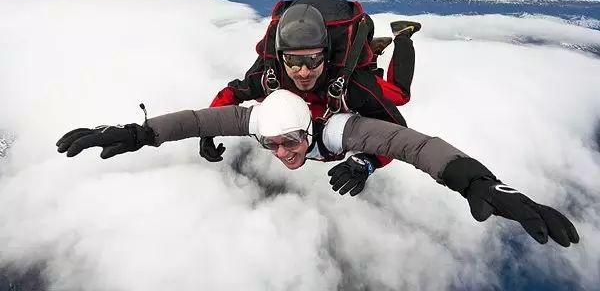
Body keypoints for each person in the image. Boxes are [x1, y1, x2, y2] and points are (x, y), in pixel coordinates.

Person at [56, 90, 579, 248]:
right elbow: (197, 118)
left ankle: (401, 42)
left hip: (354, 125)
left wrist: (478, 181)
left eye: (291, 143)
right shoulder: (257, 119)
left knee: (397, 95)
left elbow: (413, 143)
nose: (284, 154)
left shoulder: (340, 131)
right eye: (271, 144)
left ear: (311, 132)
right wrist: (136, 134)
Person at [201, 0, 421, 183]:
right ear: (280, 58)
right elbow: (232, 93)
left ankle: (402, 36)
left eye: (313, 60)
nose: (303, 72)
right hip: (322, 114)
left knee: (399, 95)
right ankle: (368, 53)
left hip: (347, 80)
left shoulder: (354, 87)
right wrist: (207, 130)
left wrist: (370, 162)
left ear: (326, 57)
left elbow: (397, 132)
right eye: (293, 61)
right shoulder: (270, 76)